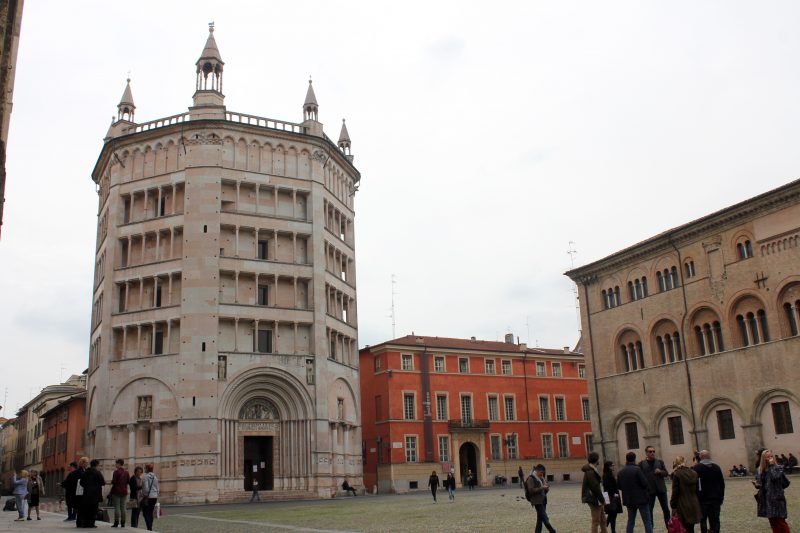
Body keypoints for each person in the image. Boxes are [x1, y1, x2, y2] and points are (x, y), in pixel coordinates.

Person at [756, 449, 791, 533]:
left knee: (781, 522)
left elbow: (775, 477)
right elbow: (761, 483)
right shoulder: (761, 470)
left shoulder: (778, 468)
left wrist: (772, 465)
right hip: (766, 500)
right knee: (773, 522)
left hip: (777, 499)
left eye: (771, 456)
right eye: (768, 457)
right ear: (763, 459)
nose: (770, 458)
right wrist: (757, 485)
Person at [617, 451, 653, 533]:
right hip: (641, 499)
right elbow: (645, 483)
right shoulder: (637, 470)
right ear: (634, 459)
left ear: (626, 459)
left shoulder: (620, 472)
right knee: (647, 521)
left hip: (629, 499)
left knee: (631, 521)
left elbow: (619, 486)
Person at [692, 449, 725, 533]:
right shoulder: (717, 467)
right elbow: (722, 484)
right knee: (715, 520)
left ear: (700, 457)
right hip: (716, 499)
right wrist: (721, 497)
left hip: (702, 500)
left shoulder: (696, 468)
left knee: (703, 520)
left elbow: (694, 484)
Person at [639, 445, 670, 531]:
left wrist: (661, 472)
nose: (652, 453)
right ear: (646, 453)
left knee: (666, 509)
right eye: (650, 451)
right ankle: (650, 529)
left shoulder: (660, 462)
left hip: (661, 489)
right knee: (649, 511)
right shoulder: (642, 464)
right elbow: (640, 477)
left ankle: (669, 527)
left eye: (653, 451)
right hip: (649, 491)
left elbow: (666, 473)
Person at [671, 455, 702, 533]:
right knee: (691, 528)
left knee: (684, 527)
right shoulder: (694, 473)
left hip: (682, 503)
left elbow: (675, 492)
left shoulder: (677, 474)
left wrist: (673, 506)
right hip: (694, 502)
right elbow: (698, 489)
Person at [525, 464, 556, 533]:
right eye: (541, 472)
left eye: (543, 473)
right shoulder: (531, 478)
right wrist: (542, 488)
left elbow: (544, 490)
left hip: (543, 500)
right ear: (537, 471)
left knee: (540, 518)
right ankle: (552, 531)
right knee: (545, 518)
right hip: (537, 501)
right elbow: (531, 490)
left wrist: (546, 488)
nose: (542, 474)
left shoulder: (541, 478)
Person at [582, 452, 608, 533]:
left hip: (597, 498)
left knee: (603, 520)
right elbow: (595, 487)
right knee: (596, 521)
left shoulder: (592, 469)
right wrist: (602, 499)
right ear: (596, 460)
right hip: (594, 499)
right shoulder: (590, 471)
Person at [81, 459, 106, 529]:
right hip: (95, 494)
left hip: (86, 493)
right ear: (97, 465)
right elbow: (103, 482)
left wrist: (86, 487)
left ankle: (85, 523)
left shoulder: (86, 472)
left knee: (87, 508)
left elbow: (81, 483)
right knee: (93, 509)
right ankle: (91, 523)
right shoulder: (97, 472)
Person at [111, 458, 130, 527]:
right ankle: (123, 522)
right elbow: (128, 481)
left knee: (117, 507)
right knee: (123, 507)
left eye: (116, 463)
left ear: (119, 464)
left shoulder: (116, 472)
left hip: (116, 491)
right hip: (124, 491)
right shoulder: (126, 472)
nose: (115, 465)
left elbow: (114, 482)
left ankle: (116, 522)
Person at [602, 461, 621, 533]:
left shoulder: (607, 474)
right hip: (610, 496)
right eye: (611, 465)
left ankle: (604, 530)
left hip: (607, 495)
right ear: (608, 467)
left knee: (611, 513)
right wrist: (615, 494)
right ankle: (613, 530)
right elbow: (609, 487)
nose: (613, 467)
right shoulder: (608, 475)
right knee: (613, 513)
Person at [141, 464, 160, 531]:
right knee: (150, 512)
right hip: (154, 497)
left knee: (145, 513)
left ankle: (149, 527)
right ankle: (150, 527)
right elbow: (158, 488)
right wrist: (156, 495)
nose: (144, 470)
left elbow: (146, 488)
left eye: (145, 468)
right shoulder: (155, 477)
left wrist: (144, 495)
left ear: (147, 469)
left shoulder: (145, 477)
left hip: (148, 497)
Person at [74, 456, 89, 527]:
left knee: (82, 508)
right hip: (80, 492)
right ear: (82, 463)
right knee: (80, 508)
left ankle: (81, 522)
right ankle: (79, 522)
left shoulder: (84, 470)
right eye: (86, 463)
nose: (87, 464)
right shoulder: (79, 471)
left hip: (82, 491)